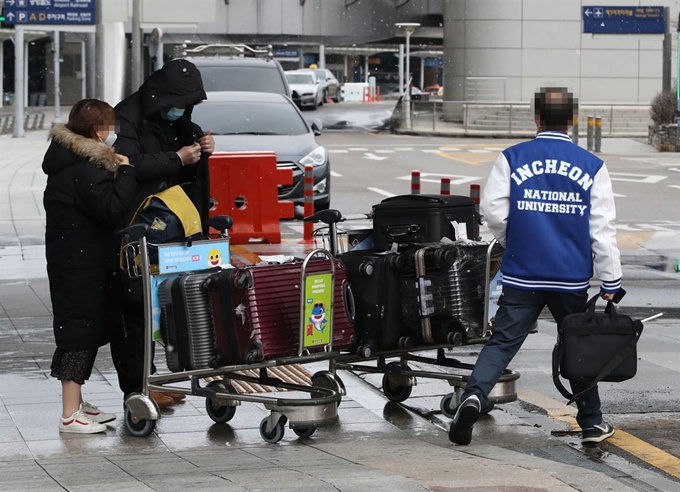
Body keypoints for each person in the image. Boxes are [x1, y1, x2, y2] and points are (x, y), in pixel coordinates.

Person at [449, 87, 622, 446]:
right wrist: (610, 279)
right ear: (573, 120)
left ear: (536, 117)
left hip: (523, 271)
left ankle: (474, 396)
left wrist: (517, 240)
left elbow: (493, 210)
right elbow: (601, 229)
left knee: (501, 343)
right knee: (578, 343)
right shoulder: (592, 166)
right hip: (570, 277)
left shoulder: (513, 158)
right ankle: (591, 423)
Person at [111, 59, 215, 408]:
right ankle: (138, 387)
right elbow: (127, 163)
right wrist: (177, 158)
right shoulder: (127, 116)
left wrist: (202, 148)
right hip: (138, 223)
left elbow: (183, 154)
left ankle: (157, 378)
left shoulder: (175, 118)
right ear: (162, 96)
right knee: (136, 306)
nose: (182, 111)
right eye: (180, 104)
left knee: (164, 303)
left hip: (169, 222)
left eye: (189, 106)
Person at [43, 99, 135, 433]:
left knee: (86, 329)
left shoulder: (71, 161)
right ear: (99, 131)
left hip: (79, 261)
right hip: (81, 265)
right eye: (111, 126)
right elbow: (112, 211)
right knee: (78, 333)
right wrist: (125, 173)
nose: (114, 133)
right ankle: (70, 414)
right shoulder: (85, 169)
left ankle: (78, 404)